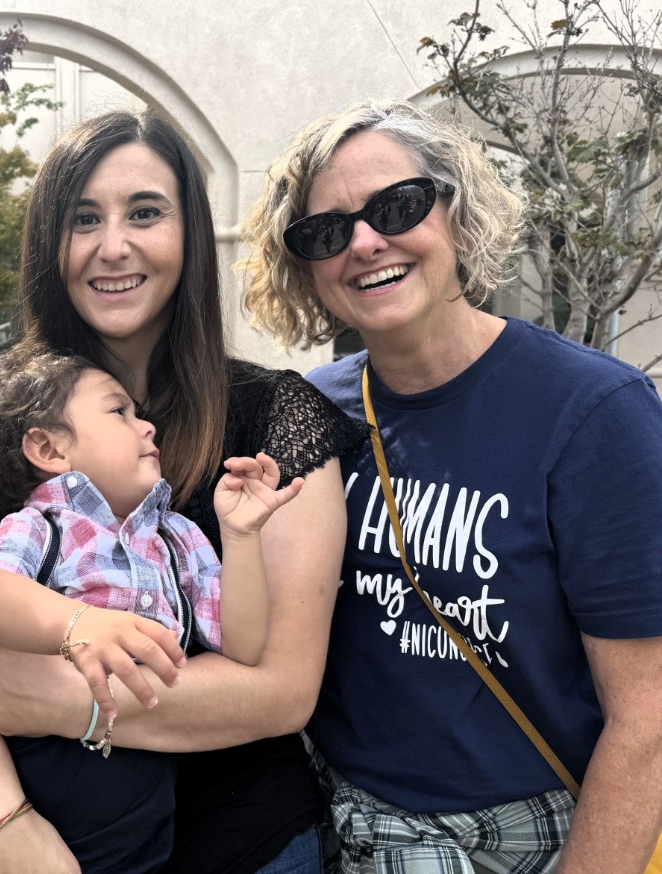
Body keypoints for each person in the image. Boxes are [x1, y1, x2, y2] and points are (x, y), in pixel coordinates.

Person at [0, 108, 366, 874]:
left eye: (144, 212)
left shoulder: (281, 418)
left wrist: (69, 703)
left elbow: (280, 688)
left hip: (241, 837)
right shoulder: (1, 408)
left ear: (187, 232)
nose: (111, 246)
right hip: (36, 821)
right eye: (83, 218)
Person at [240, 97, 662, 873]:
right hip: (339, 817)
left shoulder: (594, 412)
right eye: (325, 232)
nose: (365, 243)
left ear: (456, 214)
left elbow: (647, 718)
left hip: (531, 831)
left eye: (396, 206)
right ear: (304, 267)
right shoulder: (306, 411)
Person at [0, 345, 304, 872]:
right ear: (48, 448)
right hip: (24, 764)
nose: (147, 427)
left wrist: (241, 537)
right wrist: (77, 624)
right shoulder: (43, 524)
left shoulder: (177, 539)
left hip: (129, 808)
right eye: (120, 412)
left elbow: (246, 646)